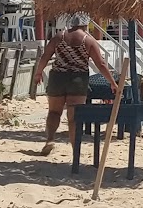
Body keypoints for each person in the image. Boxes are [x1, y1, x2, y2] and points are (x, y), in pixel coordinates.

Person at [31, 18, 119, 155]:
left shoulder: (59, 37)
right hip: (78, 79)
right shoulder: (88, 40)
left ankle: (50, 139)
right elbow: (100, 64)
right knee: (74, 117)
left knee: (54, 112)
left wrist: (38, 73)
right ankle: (75, 149)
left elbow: (46, 56)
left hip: (58, 77)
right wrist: (112, 82)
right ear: (84, 25)